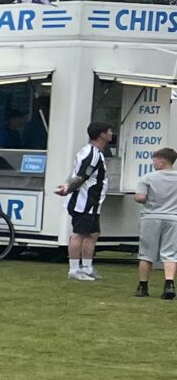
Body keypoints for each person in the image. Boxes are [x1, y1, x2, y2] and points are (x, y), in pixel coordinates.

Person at [56, 120, 113, 283]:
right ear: (102, 134)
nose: (111, 134)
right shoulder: (92, 154)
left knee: (93, 233)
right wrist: (67, 188)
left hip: (94, 202)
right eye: (109, 131)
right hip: (84, 201)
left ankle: (87, 266)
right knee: (79, 234)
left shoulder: (94, 152)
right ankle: (74, 269)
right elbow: (81, 176)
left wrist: (67, 184)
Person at [134, 146, 177, 300]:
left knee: (146, 253)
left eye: (155, 160)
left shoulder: (149, 177)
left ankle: (143, 286)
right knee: (170, 253)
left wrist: (148, 200)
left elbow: (139, 197)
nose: (153, 163)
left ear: (163, 161)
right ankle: (169, 283)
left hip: (151, 216)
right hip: (173, 218)